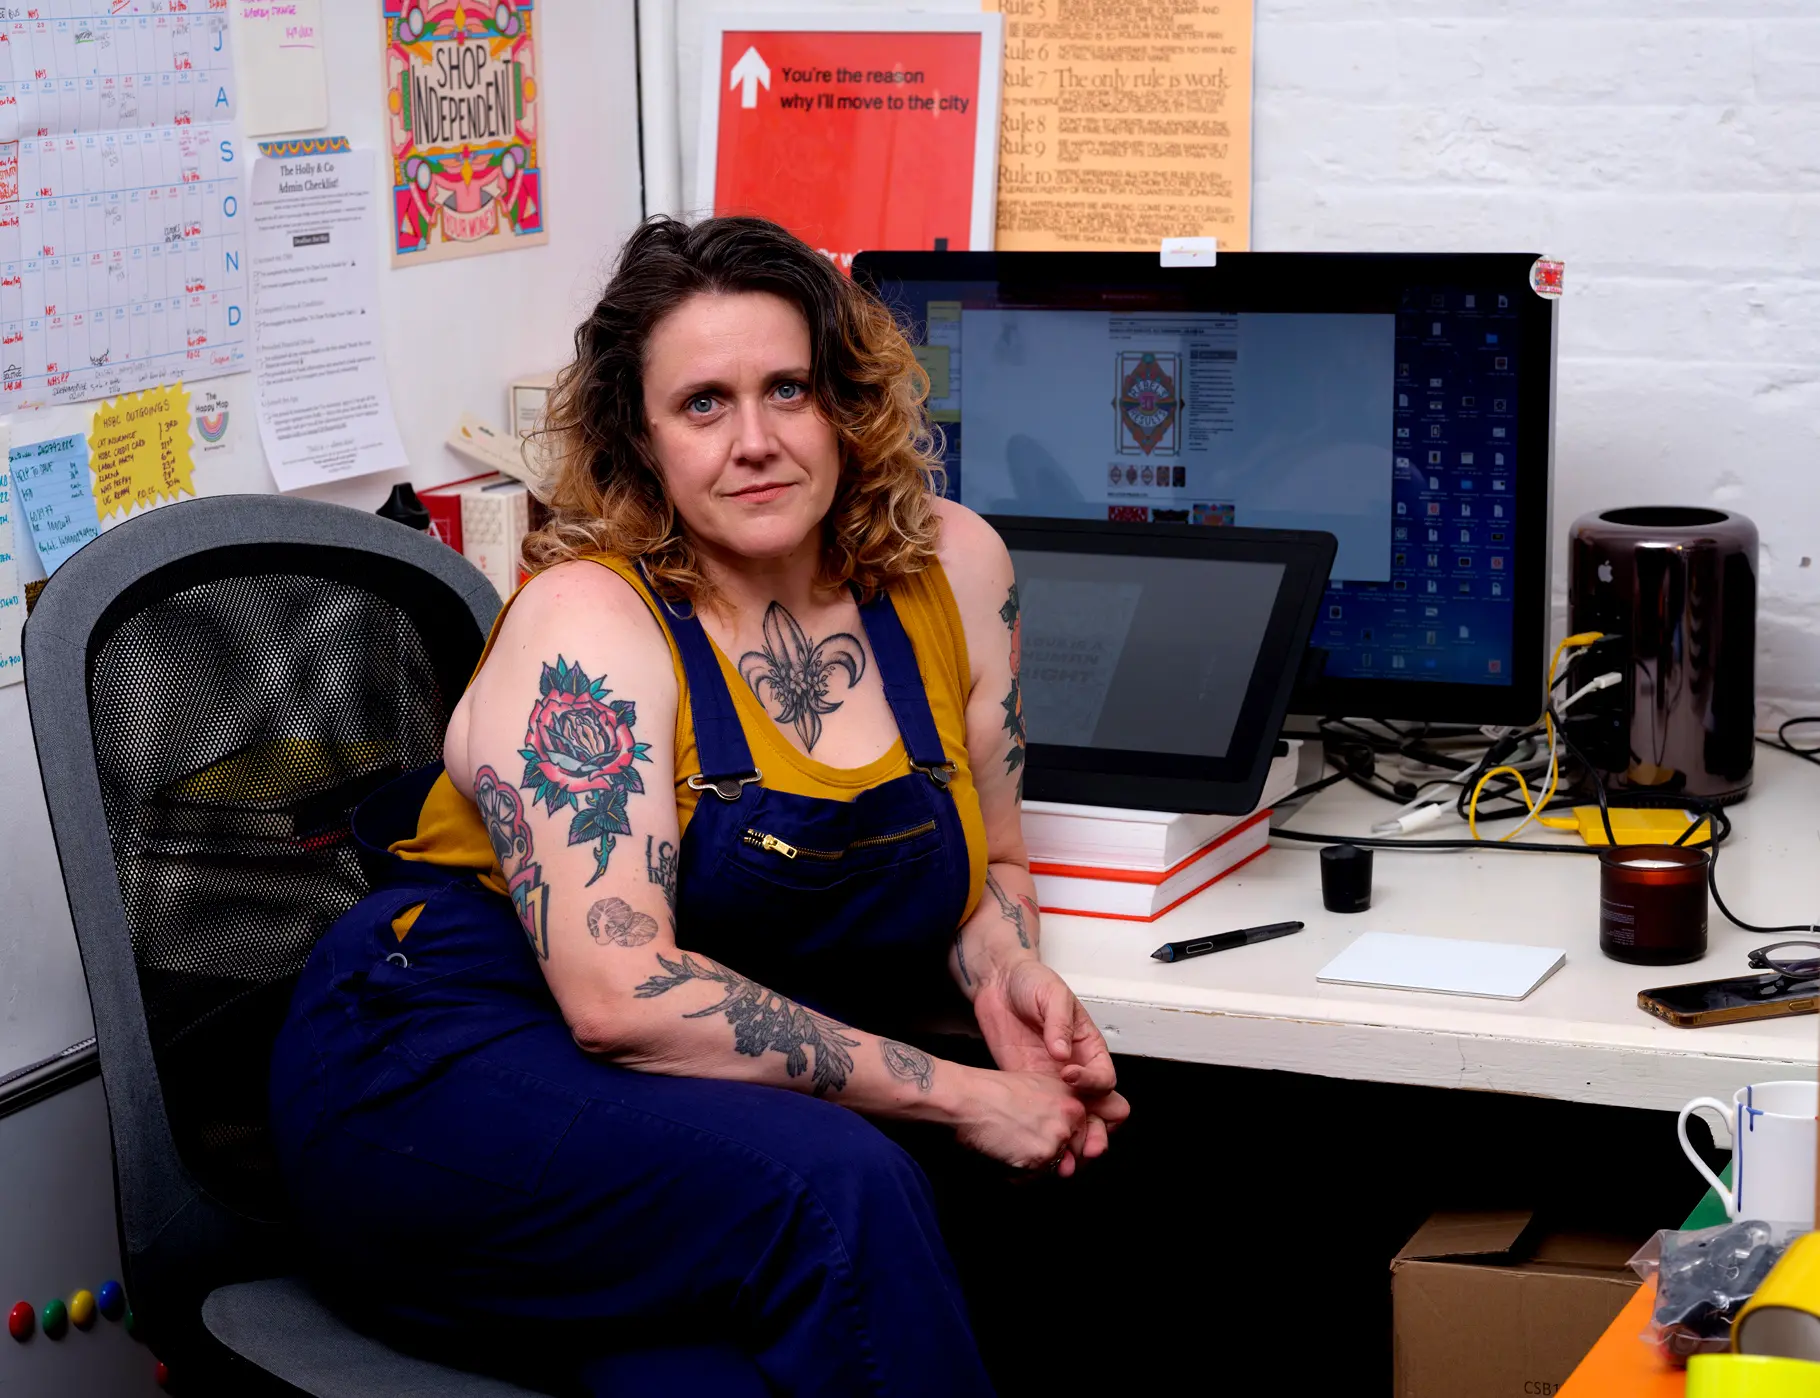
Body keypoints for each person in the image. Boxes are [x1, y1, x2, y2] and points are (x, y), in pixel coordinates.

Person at [268, 215, 1130, 1397]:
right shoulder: (593, 623)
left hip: (674, 1104)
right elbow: (620, 999)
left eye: (788, 388)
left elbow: (994, 870)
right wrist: (970, 1098)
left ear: (847, 402)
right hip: (436, 1077)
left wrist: (1008, 980)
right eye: (704, 405)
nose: (759, 442)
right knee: (841, 1187)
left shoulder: (955, 570)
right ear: (640, 436)